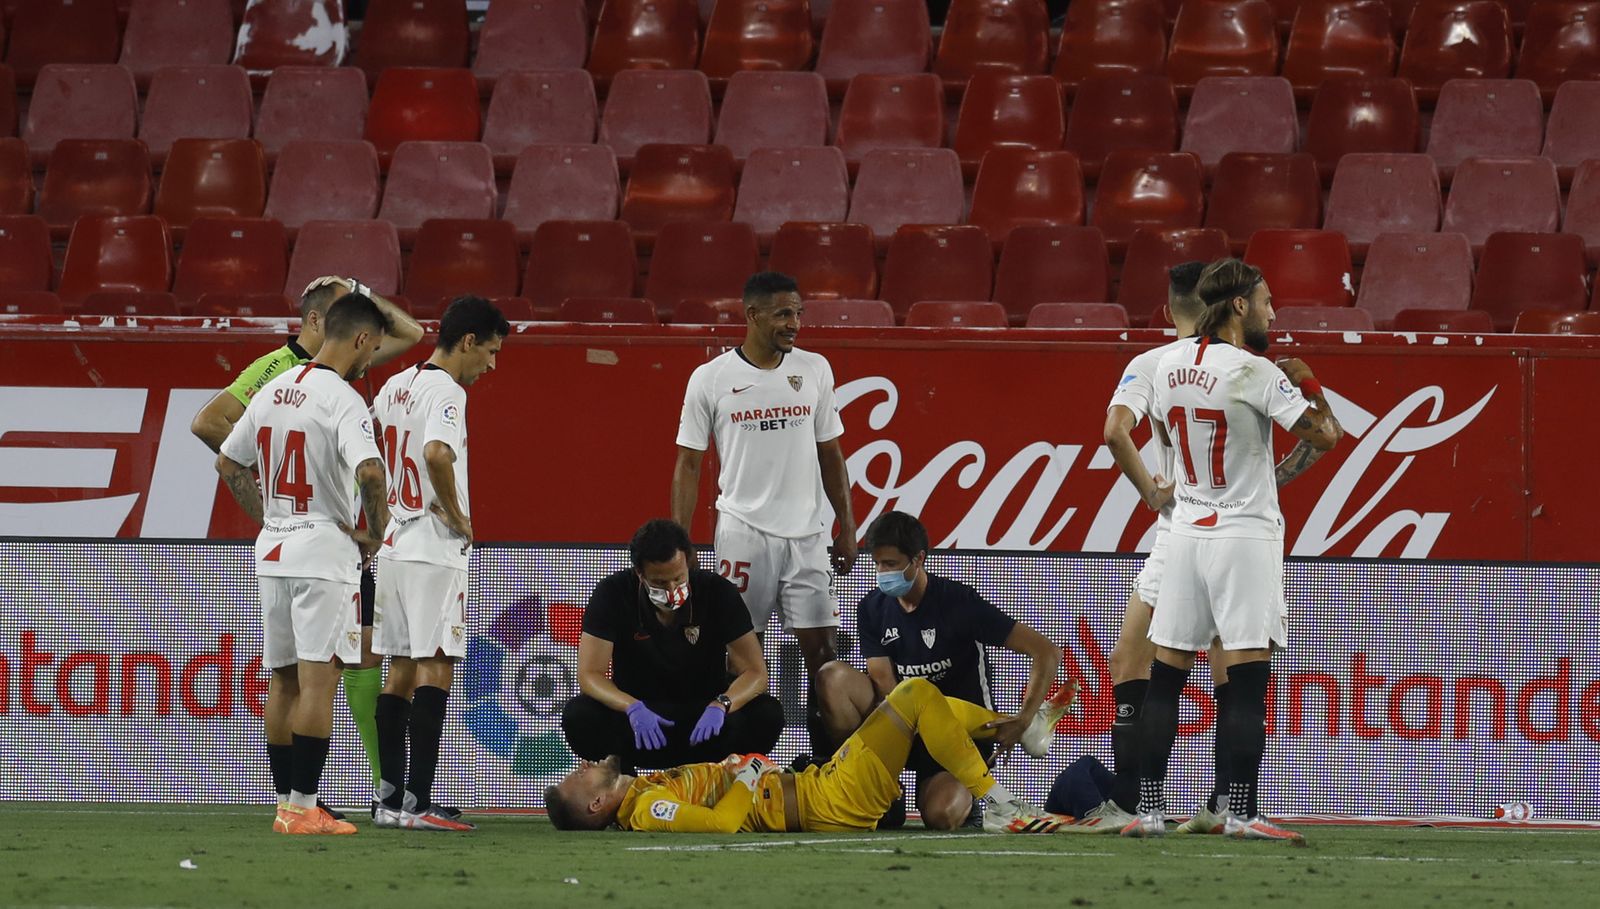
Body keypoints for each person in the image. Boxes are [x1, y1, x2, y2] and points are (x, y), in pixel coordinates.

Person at [1094, 262, 1332, 834]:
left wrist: (1155, 491)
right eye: (1268, 301)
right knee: (1247, 679)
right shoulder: (1253, 370)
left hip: (1186, 534)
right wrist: (1308, 383)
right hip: (1243, 534)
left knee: (1168, 674)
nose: (1275, 312)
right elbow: (1325, 434)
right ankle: (1240, 813)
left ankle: (1149, 810)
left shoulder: (1166, 364)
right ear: (1240, 307)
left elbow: (1116, 429)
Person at [192, 275, 423, 804]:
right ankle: (304, 805)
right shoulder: (342, 399)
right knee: (322, 679)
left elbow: (228, 461)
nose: (372, 362)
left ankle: (284, 802)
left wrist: (268, 516)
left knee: (284, 682)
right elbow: (370, 471)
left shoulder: (274, 386)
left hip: (273, 550)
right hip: (323, 552)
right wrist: (376, 532)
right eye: (372, 349)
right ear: (362, 340)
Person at [670, 271, 858, 754]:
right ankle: (740, 761)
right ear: (751, 315)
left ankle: (827, 769)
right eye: (782, 313)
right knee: (738, 655)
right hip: (743, 534)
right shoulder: (710, 378)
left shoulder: (815, 369)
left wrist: (847, 527)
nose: (794, 323)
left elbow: (831, 454)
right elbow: (688, 462)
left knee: (824, 655)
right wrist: (679, 540)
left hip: (807, 536)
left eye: (798, 312)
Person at [811, 510, 1074, 830]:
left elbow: (1047, 652)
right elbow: (883, 682)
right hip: (909, 727)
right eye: (877, 564)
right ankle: (869, 787)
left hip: (958, 739)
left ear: (919, 559)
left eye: (891, 564)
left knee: (942, 814)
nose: (882, 573)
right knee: (832, 677)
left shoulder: (958, 602)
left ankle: (1021, 742)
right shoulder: (871, 608)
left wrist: (1023, 717)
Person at [545, 677, 1071, 835]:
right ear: (597, 806)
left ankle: (1018, 731)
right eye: (581, 776)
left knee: (909, 701)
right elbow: (722, 825)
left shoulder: (639, 791)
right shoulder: (644, 809)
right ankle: (1001, 801)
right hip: (826, 803)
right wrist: (749, 771)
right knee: (912, 697)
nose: (585, 764)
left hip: (820, 785)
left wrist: (743, 772)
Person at [368, 296, 509, 833]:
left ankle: (389, 797)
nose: (491, 366)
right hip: (432, 545)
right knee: (437, 664)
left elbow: (374, 462)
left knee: (398, 668)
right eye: (490, 352)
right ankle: (420, 801)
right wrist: (458, 515)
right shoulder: (447, 391)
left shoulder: (395, 384)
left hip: (395, 544)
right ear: (468, 341)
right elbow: (435, 454)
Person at [561, 519, 785, 769]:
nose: (671, 590)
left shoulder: (717, 592)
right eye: (659, 583)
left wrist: (722, 705)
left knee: (767, 713)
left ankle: (724, 783)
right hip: (642, 725)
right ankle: (623, 792)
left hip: (704, 724)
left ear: (688, 563)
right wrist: (632, 707)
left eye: (678, 578)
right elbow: (590, 674)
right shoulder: (612, 593)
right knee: (579, 715)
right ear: (639, 573)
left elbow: (756, 672)